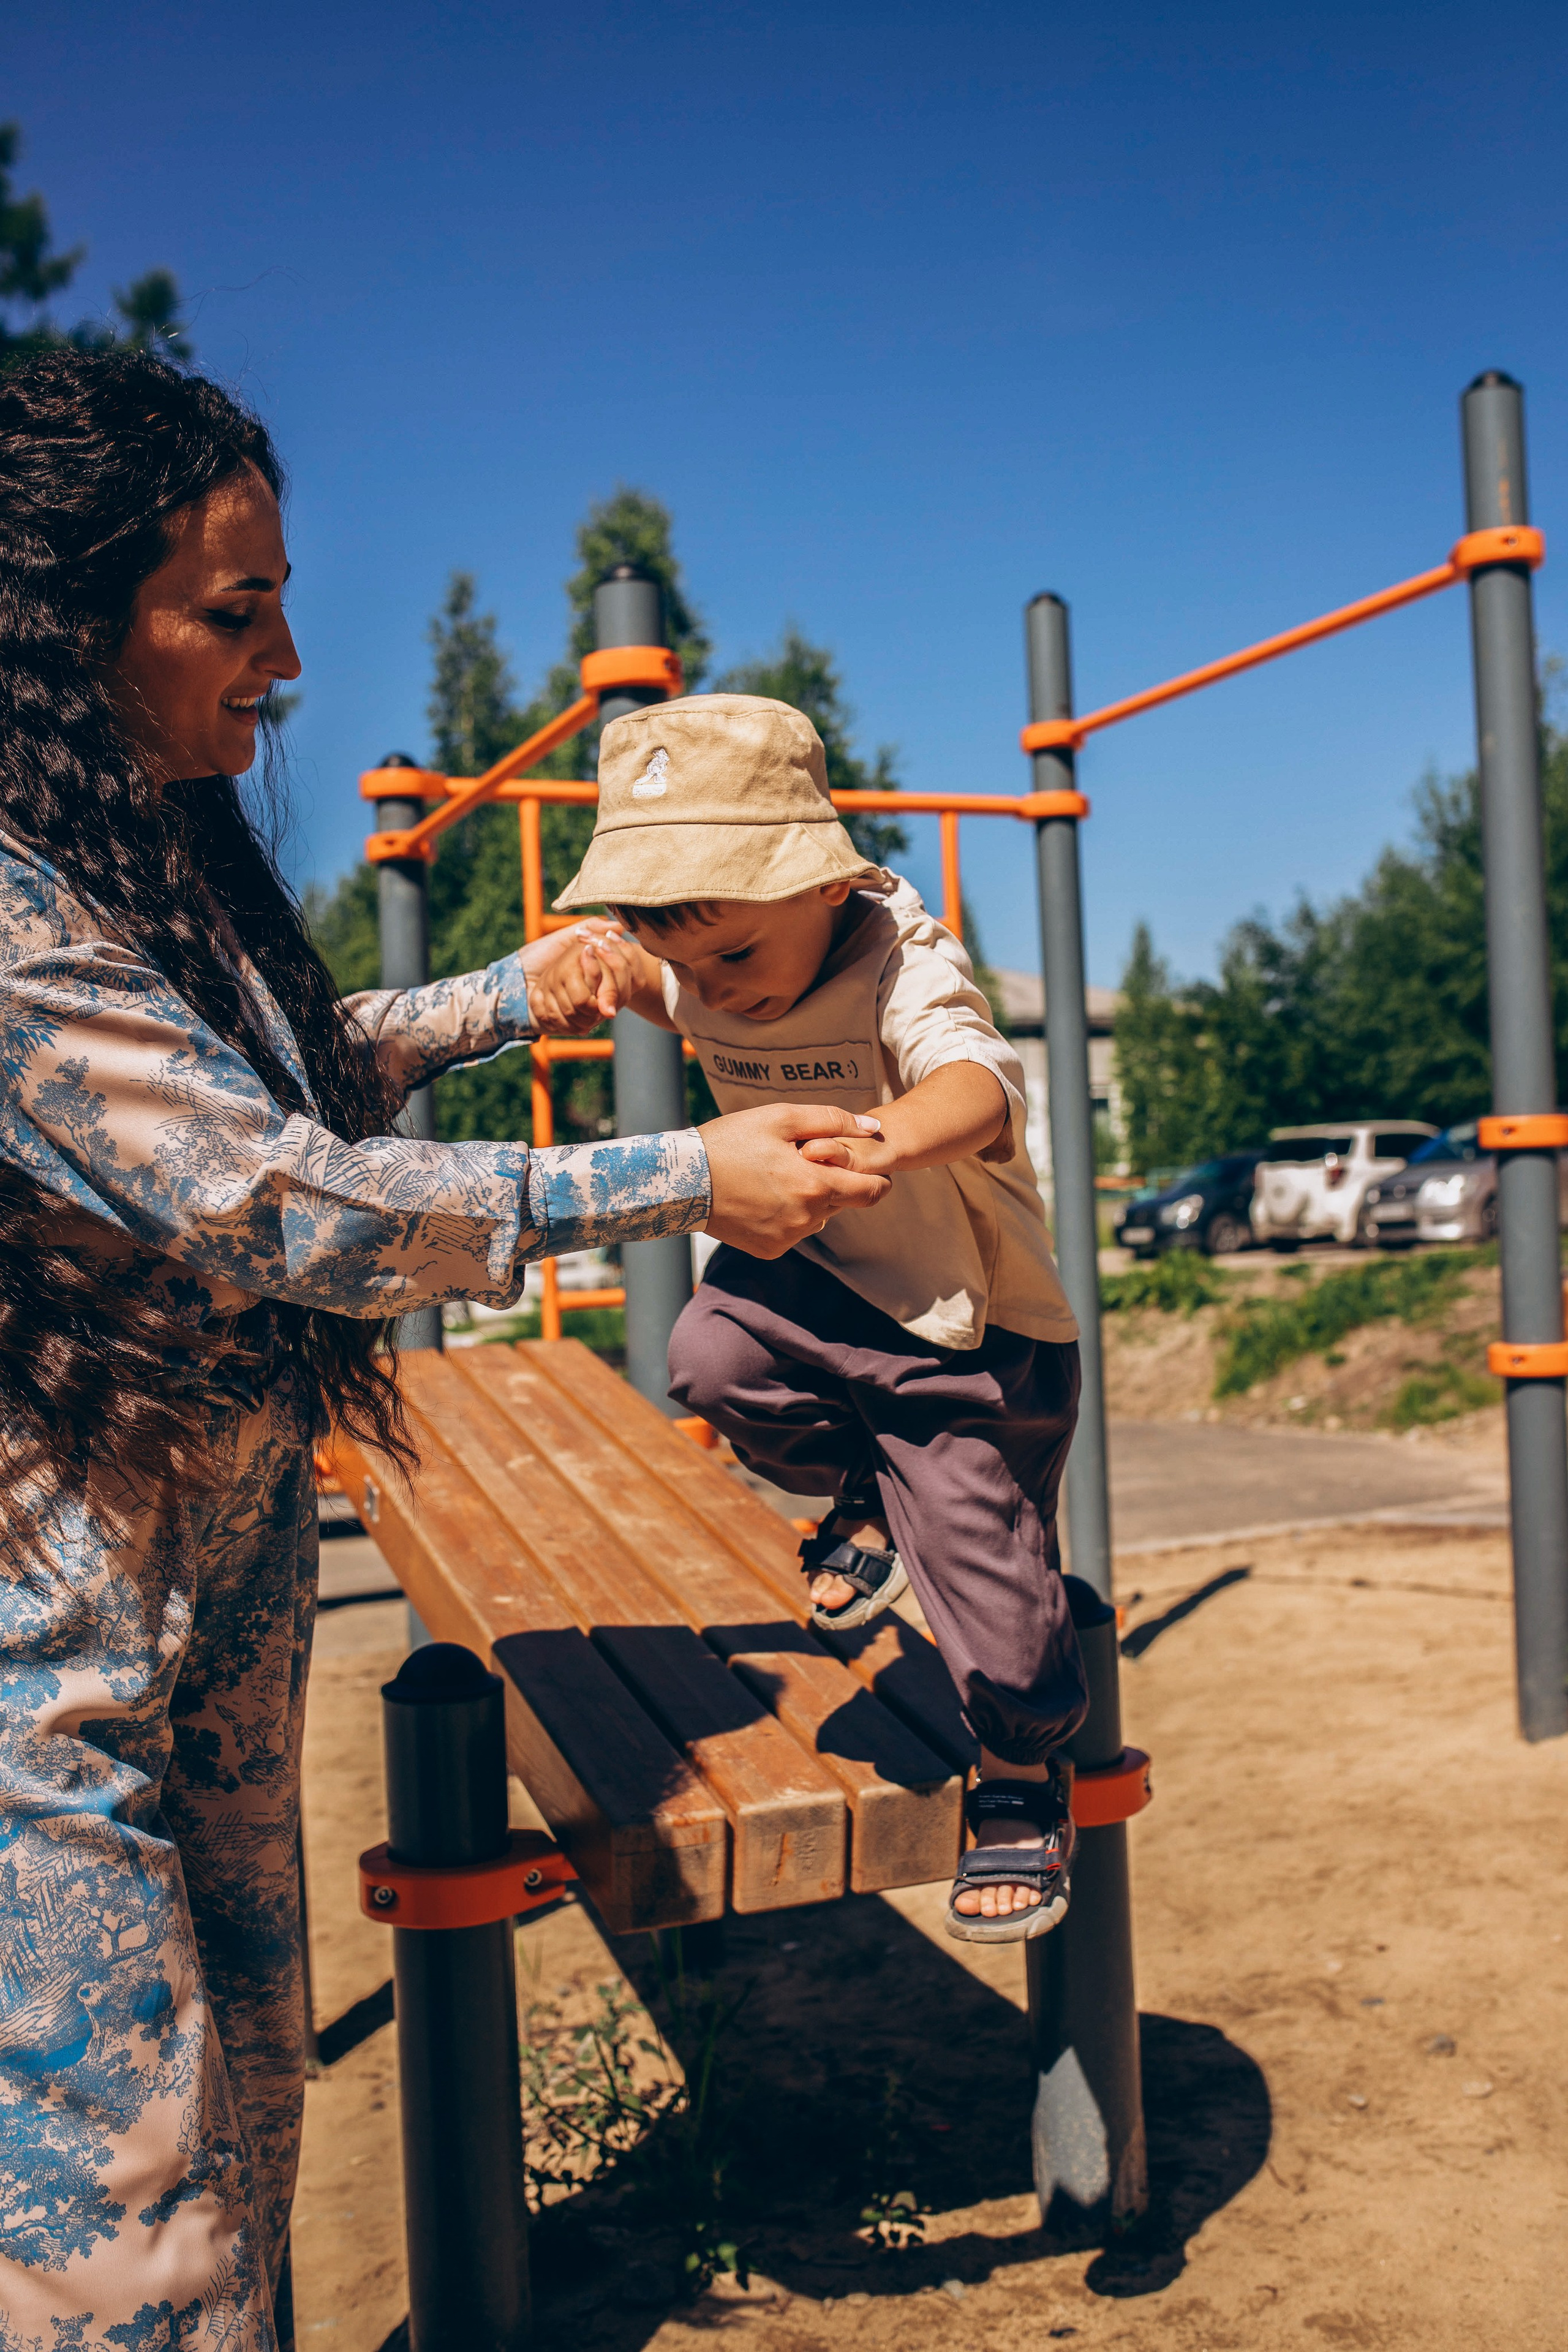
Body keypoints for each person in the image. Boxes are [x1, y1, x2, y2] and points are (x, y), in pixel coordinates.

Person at [0, 353, 889, 2350]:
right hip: (46, 1693)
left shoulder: (143, 861)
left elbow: (260, 1076)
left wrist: (503, 995)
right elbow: (273, 1193)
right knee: (125, 2234)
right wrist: (679, 1178)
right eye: (236, 611)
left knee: (256, 2120)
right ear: (62, 621)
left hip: (210, 1632)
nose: (290, 654)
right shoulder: (5, 919)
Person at [526, 692, 1090, 1950]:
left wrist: (882, 1134)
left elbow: (977, 1081)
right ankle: (860, 1492)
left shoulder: (900, 954)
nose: (713, 987)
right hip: (813, 1280)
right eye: (680, 955)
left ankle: (1019, 1768)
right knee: (706, 1357)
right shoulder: (703, 964)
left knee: (987, 1595)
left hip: (965, 1328)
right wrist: (607, 978)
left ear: (823, 887)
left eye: (730, 954)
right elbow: (669, 991)